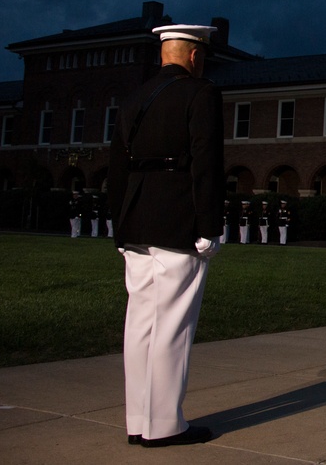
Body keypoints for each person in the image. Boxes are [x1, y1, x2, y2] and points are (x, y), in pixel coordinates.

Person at [107, 23, 223, 448]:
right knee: (172, 326)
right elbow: (207, 161)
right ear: (195, 55)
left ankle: (138, 420)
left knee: (139, 324)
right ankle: (165, 425)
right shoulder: (201, 92)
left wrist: (119, 227)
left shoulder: (135, 97)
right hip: (178, 221)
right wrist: (209, 226)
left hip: (136, 221)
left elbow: (117, 169)